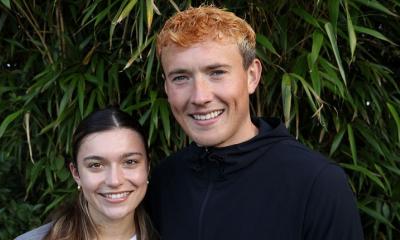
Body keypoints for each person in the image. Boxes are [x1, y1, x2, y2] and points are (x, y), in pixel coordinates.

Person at [147, 5, 364, 240]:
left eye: (217, 73)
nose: (200, 97)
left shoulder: (317, 183)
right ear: (166, 87)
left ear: (252, 76)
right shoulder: (163, 183)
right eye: (180, 77)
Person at [16, 107, 157, 240]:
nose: (114, 181)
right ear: (76, 174)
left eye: (130, 162)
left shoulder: (172, 233)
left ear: (147, 167)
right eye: (96, 165)